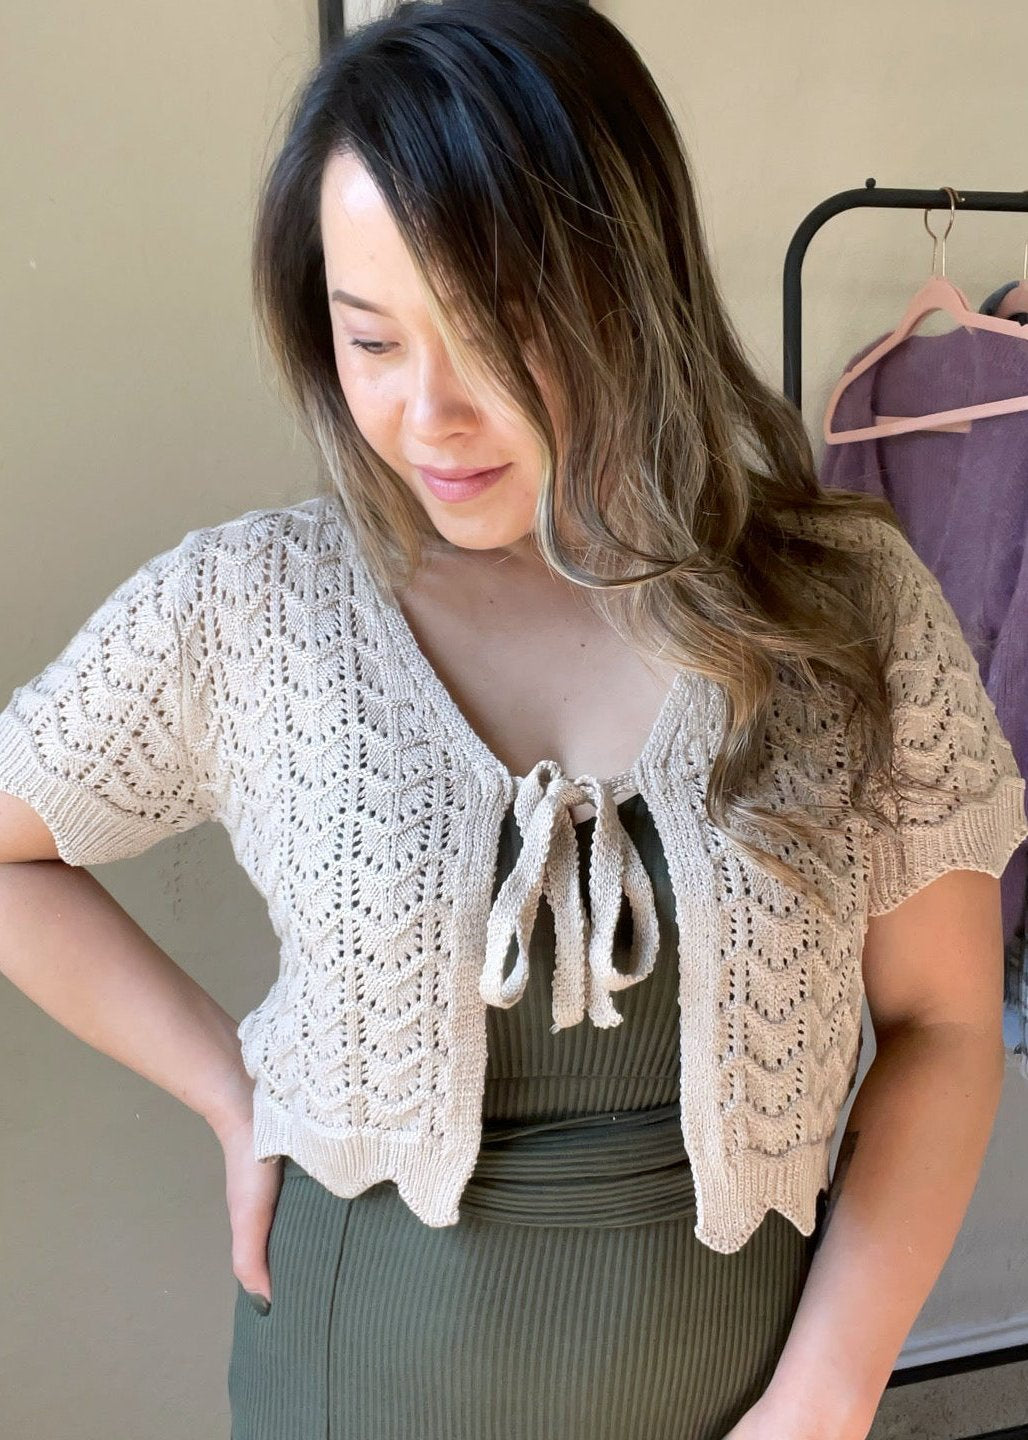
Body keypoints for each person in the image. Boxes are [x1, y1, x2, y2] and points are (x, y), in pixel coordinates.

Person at [1, 3, 1025, 1438]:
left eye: (503, 331)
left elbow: (943, 1024)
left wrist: (829, 1398)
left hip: (752, 1396)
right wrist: (234, 1092)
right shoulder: (251, 607)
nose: (431, 413)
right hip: (347, 1380)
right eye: (372, 339)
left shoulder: (842, 606)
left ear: (633, 292)